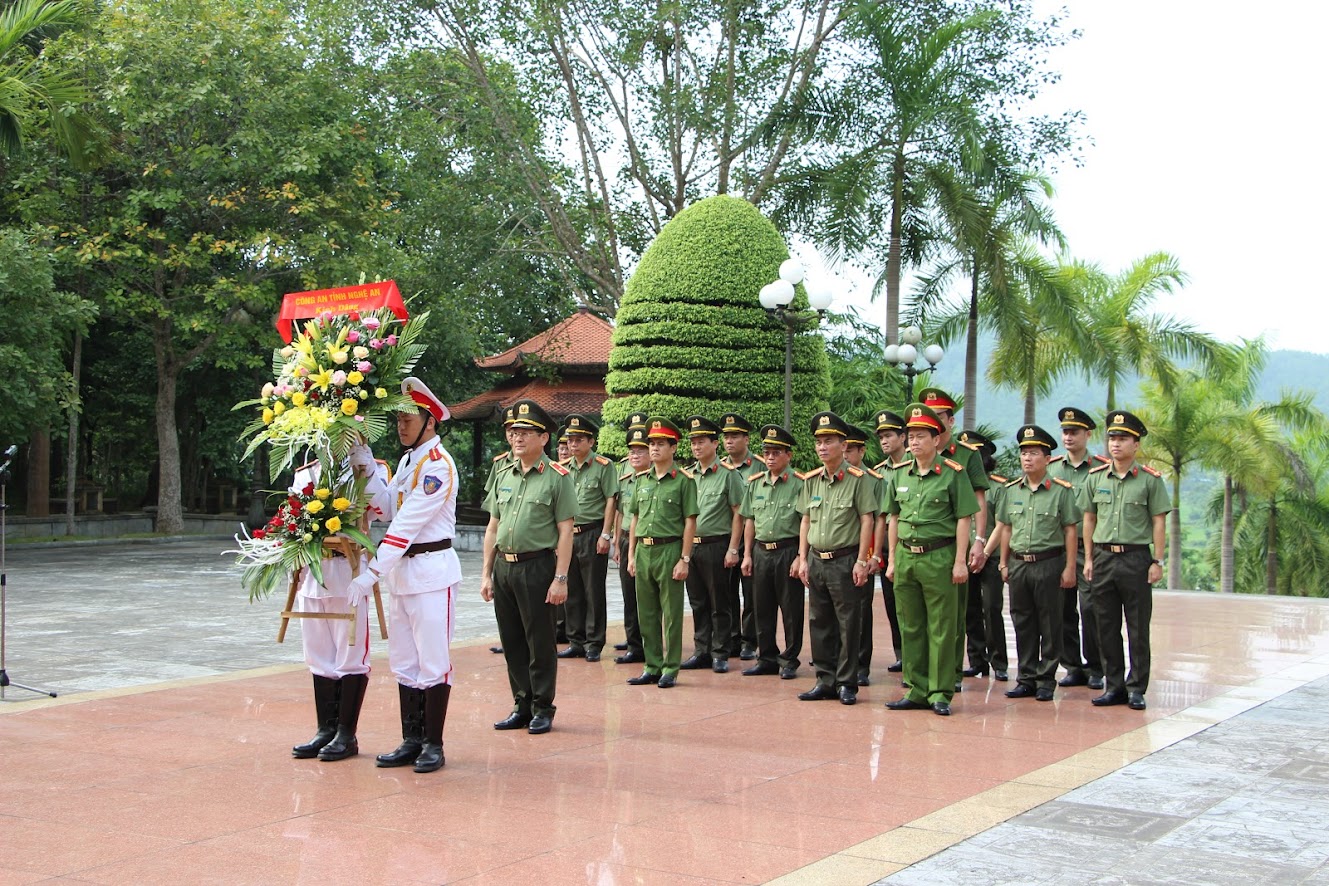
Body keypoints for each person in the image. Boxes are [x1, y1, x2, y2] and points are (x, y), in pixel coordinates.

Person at [347, 376, 461, 773]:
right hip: (404, 575)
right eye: (397, 418)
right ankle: (411, 739)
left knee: (433, 660)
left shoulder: (438, 467)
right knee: (405, 660)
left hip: (431, 572)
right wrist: (364, 462)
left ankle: (433, 743)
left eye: (409, 418)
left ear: (430, 421)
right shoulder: (408, 462)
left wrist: (371, 573)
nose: (401, 425)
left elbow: (406, 525)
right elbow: (385, 507)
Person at [480, 399, 575, 734]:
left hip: (538, 567)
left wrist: (560, 578)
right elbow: (493, 525)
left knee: (540, 641)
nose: (517, 437)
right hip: (505, 567)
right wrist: (486, 573)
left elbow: (566, 530)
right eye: (513, 431)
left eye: (525, 432)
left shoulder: (557, 477)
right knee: (512, 640)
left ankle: (542, 707)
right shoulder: (502, 472)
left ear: (544, 437)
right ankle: (521, 702)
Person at [289, 453, 390, 762]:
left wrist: (368, 467)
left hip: (350, 571)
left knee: (350, 653)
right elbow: (294, 520)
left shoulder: (370, 468)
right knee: (318, 654)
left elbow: (385, 512)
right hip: (315, 570)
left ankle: (346, 733)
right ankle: (325, 729)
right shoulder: (307, 473)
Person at [882, 403, 979, 717]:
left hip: (939, 555)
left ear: (937, 440)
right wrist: (893, 560)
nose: (914, 442)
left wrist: (960, 561)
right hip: (906, 556)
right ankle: (915, 688)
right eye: (910, 436)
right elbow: (893, 518)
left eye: (921, 436)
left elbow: (965, 518)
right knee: (910, 625)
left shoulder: (952, 474)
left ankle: (939, 691)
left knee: (941, 626)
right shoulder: (898, 475)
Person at [1080, 410, 1170, 711]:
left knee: (1136, 627)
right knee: (1105, 625)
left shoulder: (1149, 481)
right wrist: (1089, 558)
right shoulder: (1096, 478)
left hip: (1135, 559)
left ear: (1136, 444)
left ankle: (1136, 688)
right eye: (1112, 438)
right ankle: (1114, 686)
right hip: (1104, 557)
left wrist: (1157, 561)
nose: (1116, 444)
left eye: (1123, 439)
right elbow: (1089, 518)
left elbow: (1158, 522)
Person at [795, 411, 877, 705]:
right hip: (817, 559)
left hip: (845, 560)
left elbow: (867, 520)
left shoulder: (858, 479)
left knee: (848, 622)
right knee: (819, 621)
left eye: (828, 441)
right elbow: (806, 520)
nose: (822, 447)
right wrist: (802, 558)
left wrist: (861, 560)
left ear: (844, 446)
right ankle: (824, 680)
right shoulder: (811, 480)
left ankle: (847, 683)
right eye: (818, 442)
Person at [996, 425, 1079, 702]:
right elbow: (1006, 528)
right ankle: (1026, 677)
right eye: (1023, 453)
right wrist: (1004, 562)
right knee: (1022, 622)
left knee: (1050, 622)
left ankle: (1046, 680)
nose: (1027, 458)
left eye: (1033, 453)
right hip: (1019, 564)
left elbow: (1070, 530)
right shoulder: (1011, 491)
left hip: (1049, 562)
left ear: (1047, 458)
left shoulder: (1061, 491)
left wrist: (1069, 567)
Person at [915, 388, 990, 692]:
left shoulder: (966, 455)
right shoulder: (915, 455)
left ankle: (951, 674)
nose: (936, 423)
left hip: (953, 545)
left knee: (954, 615)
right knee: (919, 618)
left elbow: (978, 499)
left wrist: (979, 539)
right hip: (920, 546)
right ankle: (922, 677)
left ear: (951, 420)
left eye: (940, 418)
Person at [625, 418, 698, 688]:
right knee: (646, 613)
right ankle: (652, 665)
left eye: (660, 444)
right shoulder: (641, 480)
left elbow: (690, 520)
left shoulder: (684, 481)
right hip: (644, 550)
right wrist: (631, 554)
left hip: (669, 549)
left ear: (673, 447)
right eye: (651, 443)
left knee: (671, 613)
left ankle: (670, 668)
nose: (654, 449)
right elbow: (634, 517)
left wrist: (684, 558)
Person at [739, 424, 805, 680]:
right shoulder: (755, 484)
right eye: (767, 452)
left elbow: (804, 523)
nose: (770, 457)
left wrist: (800, 556)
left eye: (776, 452)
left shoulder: (800, 484)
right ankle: (766, 657)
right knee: (761, 607)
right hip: (760, 551)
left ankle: (789, 658)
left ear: (788, 455)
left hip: (787, 551)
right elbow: (749, 521)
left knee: (791, 609)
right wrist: (746, 554)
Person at [1050, 406, 1110, 690]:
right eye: (1065, 432)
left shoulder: (1101, 469)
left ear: (1088, 434)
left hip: (1089, 551)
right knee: (1062, 610)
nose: (1069, 436)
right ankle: (1071, 665)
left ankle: (1095, 667)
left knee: (1090, 608)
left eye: (1074, 432)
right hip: (1059, 550)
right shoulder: (1052, 468)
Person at [680, 416, 744, 673]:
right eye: (693, 442)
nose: (696, 447)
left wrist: (733, 548)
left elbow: (739, 513)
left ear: (715, 444)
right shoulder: (687, 476)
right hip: (691, 547)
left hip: (717, 545)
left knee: (720, 602)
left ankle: (720, 652)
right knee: (697, 602)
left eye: (701, 441)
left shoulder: (729, 475)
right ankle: (701, 649)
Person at [556, 414, 618, 663]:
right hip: (569, 535)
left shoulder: (603, 466)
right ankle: (576, 640)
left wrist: (606, 534)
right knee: (571, 589)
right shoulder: (562, 469)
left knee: (593, 590)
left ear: (591, 442)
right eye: (570, 440)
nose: (573, 444)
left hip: (593, 533)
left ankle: (594, 642)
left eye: (579, 439)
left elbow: (611, 499)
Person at [957, 430, 1010, 682]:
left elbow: (1001, 524)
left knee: (991, 608)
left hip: (989, 556)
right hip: (964, 557)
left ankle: (999, 661)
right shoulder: (958, 484)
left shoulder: (998, 487)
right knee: (970, 611)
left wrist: (985, 552)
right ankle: (977, 660)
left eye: (976, 454)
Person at [843, 424, 882, 686]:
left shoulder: (873, 480)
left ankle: (861, 664)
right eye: (842, 449)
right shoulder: (834, 477)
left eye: (850, 450)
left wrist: (875, 555)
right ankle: (839, 660)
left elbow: (879, 520)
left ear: (862, 451)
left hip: (862, 553)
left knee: (860, 611)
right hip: (836, 553)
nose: (845, 455)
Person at [871, 410, 910, 675]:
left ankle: (916, 657)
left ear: (903, 437)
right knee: (892, 604)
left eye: (889, 435)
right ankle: (901, 654)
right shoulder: (878, 473)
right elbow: (876, 515)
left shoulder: (915, 465)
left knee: (912, 607)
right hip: (885, 546)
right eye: (881, 437)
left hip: (909, 543)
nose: (884, 441)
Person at [720, 412, 761, 660]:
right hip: (724, 538)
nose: (730, 441)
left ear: (746, 439)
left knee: (751, 594)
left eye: (735, 436)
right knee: (726, 593)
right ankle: (732, 637)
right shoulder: (721, 467)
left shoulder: (759, 467)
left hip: (752, 540)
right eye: (726, 437)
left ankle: (750, 640)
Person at [611, 424, 650, 664]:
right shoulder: (625, 480)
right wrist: (616, 542)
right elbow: (620, 512)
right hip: (626, 540)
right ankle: (634, 644)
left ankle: (651, 644)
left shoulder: (659, 479)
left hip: (649, 542)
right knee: (629, 595)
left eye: (640, 450)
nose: (634, 455)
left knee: (649, 597)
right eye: (632, 451)